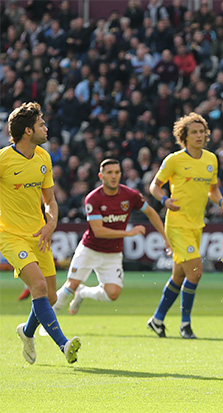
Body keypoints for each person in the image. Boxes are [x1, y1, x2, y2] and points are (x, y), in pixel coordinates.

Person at [1, 102, 81, 364]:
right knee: (37, 286)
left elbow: (50, 201)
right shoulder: (3, 160)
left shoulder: (44, 157)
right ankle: (64, 344)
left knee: (50, 296)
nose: (46, 128)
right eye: (41, 124)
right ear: (27, 131)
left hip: (40, 234)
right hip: (10, 236)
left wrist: (51, 223)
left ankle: (26, 332)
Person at [147, 112, 223, 339]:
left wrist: (221, 200)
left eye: (201, 131)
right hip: (176, 225)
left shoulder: (211, 159)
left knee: (179, 276)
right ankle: (185, 324)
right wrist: (164, 200)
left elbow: (212, 189)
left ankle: (157, 319)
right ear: (183, 136)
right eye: (193, 132)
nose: (199, 135)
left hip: (197, 225)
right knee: (195, 272)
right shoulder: (174, 160)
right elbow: (154, 186)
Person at [53, 159, 171, 315]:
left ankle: (83, 293)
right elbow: (99, 231)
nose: (114, 176)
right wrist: (128, 233)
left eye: (117, 172)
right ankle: (45, 324)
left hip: (113, 253)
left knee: (113, 294)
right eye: (109, 173)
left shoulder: (130, 195)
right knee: (71, 285)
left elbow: (150, 212)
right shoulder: (93, 198)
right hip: (90, 249)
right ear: (101, 176)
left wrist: (165, 237)